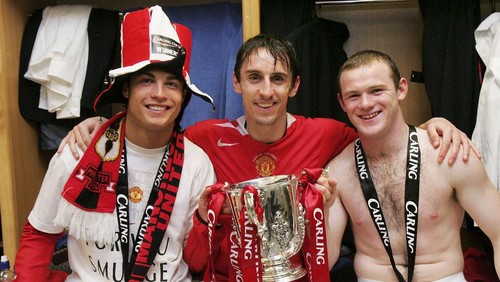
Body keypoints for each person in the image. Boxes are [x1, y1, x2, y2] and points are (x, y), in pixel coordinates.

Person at [59, 34, 478, 281]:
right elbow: (150, 133)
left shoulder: (329, 134)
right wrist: (101, 124)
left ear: (294, 86)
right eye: (254, 78)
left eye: (278, 79)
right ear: (236, 83)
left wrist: (433, 126)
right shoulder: (205, 137)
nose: (266, 91)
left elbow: (383, 133)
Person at [14, 6, 216, 282]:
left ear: (183, 96)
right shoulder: (78, 150)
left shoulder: (197, 163)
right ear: (125, 89)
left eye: (171, 84)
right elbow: (39, 235)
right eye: (146, 81)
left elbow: (197, 262)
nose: (159, 94)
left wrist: (205, 221)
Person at [325, 50, 500, 281]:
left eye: (377, 90)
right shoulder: (337, 172)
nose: (366, 104)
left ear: (401, 89)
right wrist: (322, 210)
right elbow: (324, 259)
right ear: (342, 102)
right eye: (354, 96)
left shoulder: (450, 154)